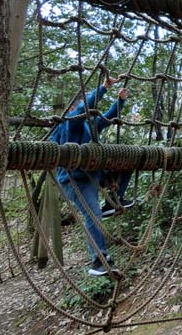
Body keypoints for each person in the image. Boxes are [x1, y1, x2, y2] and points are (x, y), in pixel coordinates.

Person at [50, 76, 133, 276]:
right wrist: (103, 88)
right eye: (81, 107)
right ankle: (98, 260)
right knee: (92, 214)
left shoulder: (89, 124)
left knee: (127, 163)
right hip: (75, 180)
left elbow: (107, 116)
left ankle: (113, 199)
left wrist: (120, 100)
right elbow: (82, 110)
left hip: (94, 172)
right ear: (72, 110)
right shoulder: (70, 124)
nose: (84, 110)